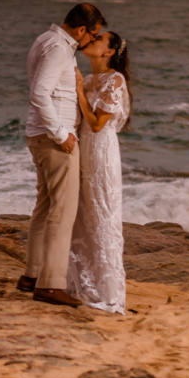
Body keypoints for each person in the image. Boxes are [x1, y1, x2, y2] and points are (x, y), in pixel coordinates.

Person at [20, 3, 105, 307]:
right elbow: (39, 93)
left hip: (40, 136)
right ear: (81, 29)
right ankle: (51, 284)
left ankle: (31, 275)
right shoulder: (57, 47)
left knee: (44, 208)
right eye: (92, 35)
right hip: (54, 139)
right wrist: (62, 134)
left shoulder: (47, 39)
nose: (92, 41)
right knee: (62, 211)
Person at [67, 30, 133, 313]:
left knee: (103, 213)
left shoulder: (115, 79)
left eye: (99, 40)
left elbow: (96, 124)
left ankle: (109, 293)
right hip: (83, 150)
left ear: (108, 52)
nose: (92, 41)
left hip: (102, 151)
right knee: (83, 213)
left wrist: (80, 90)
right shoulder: (91, 78)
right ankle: (83, 284)